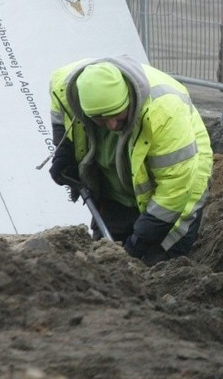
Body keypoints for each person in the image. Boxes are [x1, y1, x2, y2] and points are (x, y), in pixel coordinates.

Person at [48, 56, 213, 266]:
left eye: (118, 115)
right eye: (100, 119)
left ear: (129, 97)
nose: (112, 125)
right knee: (105, 261)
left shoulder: (165, 112)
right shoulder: (67, 86)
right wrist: (64, 150)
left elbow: (175, 189)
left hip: (180, 184)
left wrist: (140, 242)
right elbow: (59, 110)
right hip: (118, 187)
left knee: (159, 264)